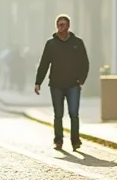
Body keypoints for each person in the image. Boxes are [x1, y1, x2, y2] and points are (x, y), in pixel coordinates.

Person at [34, 15, 91, 151]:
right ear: (56, 26)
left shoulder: (77, 43)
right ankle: (58, 140)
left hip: (73, 84)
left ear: (68, 26)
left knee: (73, 113)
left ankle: (75, 141)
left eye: (64, 24)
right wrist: (38, 82)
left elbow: (85, 63)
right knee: (58, 114)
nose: (61, 27)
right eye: (59, 25)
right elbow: (44, 63)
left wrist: (81, 80)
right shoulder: (51, 44)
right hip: (56, 84)